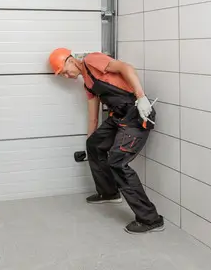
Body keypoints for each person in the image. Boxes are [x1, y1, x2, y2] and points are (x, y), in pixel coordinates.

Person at [48, 48, 164, 234]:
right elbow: (93, 118)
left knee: (117, 163)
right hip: (118, 117)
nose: (66, 76)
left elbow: (126, 68)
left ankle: (150, 219)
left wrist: (141, 98)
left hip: (136, 114)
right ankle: (109, 192)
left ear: (69, 60)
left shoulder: (92, 60)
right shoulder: (87, 84)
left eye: (64, 71)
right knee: (94, 145)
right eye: (62, 75)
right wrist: (89, 143)